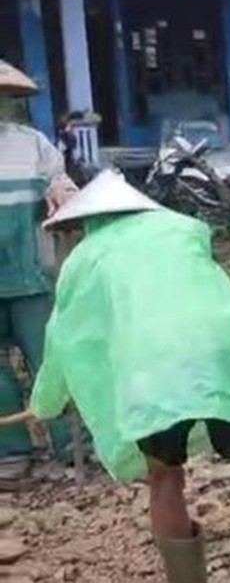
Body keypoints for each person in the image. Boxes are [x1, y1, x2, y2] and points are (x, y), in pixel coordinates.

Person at [32, 170, 230, 582]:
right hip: (223, 351)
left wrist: (45, 403)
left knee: (164, 475)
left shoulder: (84, 260)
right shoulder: (183, 229)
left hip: (151, 369)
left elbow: (65, 340)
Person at [0, 87, 79, 486]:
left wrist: (63, 195)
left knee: (51, 359)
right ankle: (11, 452)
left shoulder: (32, 144)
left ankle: (71, 445)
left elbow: (60, 183)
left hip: (31, 275)